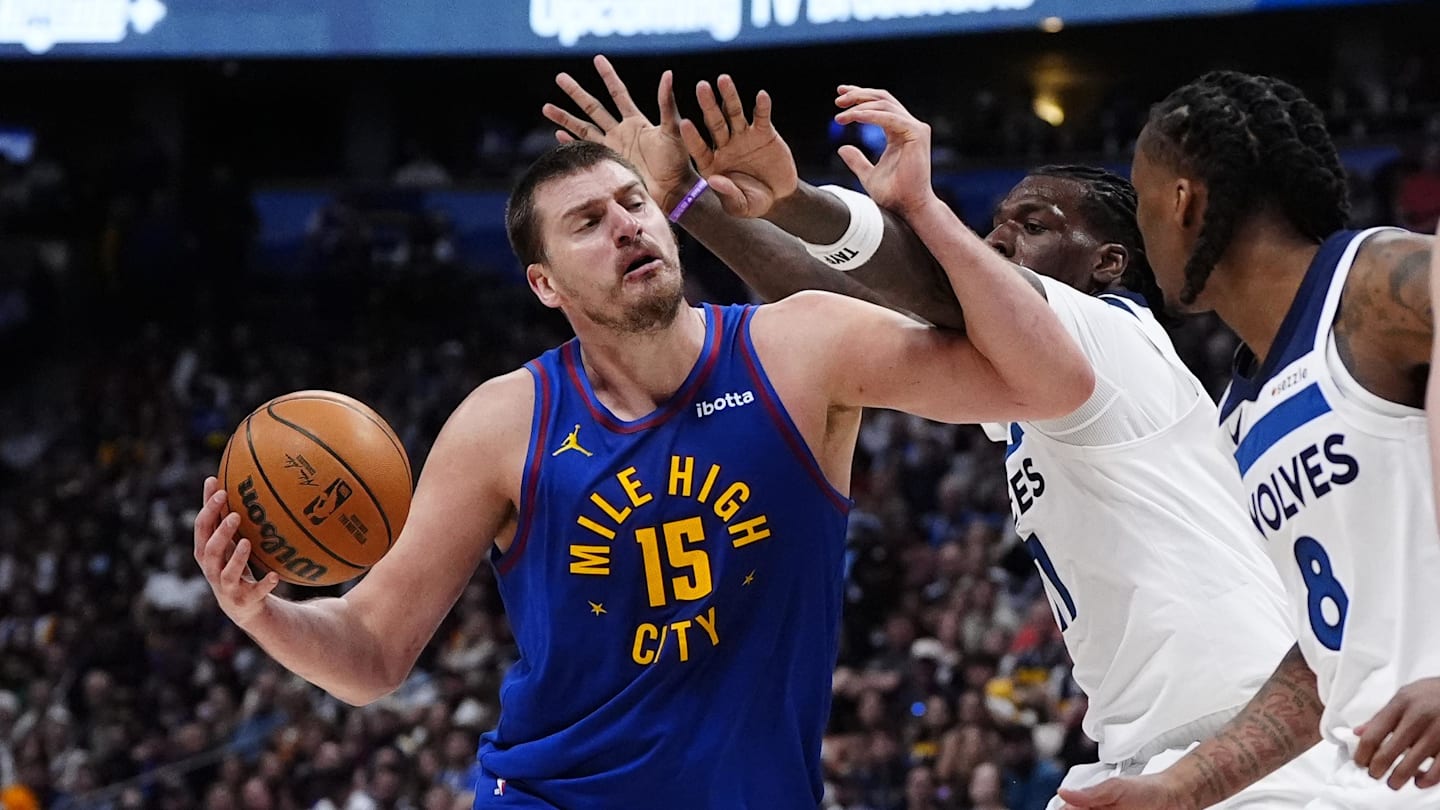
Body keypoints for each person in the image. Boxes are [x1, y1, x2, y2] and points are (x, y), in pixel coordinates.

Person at [193, 133, 1096, 806]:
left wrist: (924, 212)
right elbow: (371, 652)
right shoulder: (503, 423)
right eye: (588, 223)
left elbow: (1051, 383)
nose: (626, 226)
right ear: (545, 284)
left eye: (634, 203)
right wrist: (260, 610)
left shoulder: (801, 347)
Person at [541, 57, 1331, 807]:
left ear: (1107, 264)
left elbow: (940, 281)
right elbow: (836, 312)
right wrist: (686, 197)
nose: (998, 240)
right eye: (995, 224)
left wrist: (797, 200)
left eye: (1032, 224)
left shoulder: (1115, 335)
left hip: (1246, 745)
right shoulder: (1020, 383)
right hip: (1148, 750)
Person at [1055, 71, 1440, 809]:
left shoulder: (1378, 284)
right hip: (1370, 779)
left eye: (1140, 200)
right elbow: (1327, 652)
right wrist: (1180, 787)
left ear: (1182, 201)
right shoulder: (1239, 412)